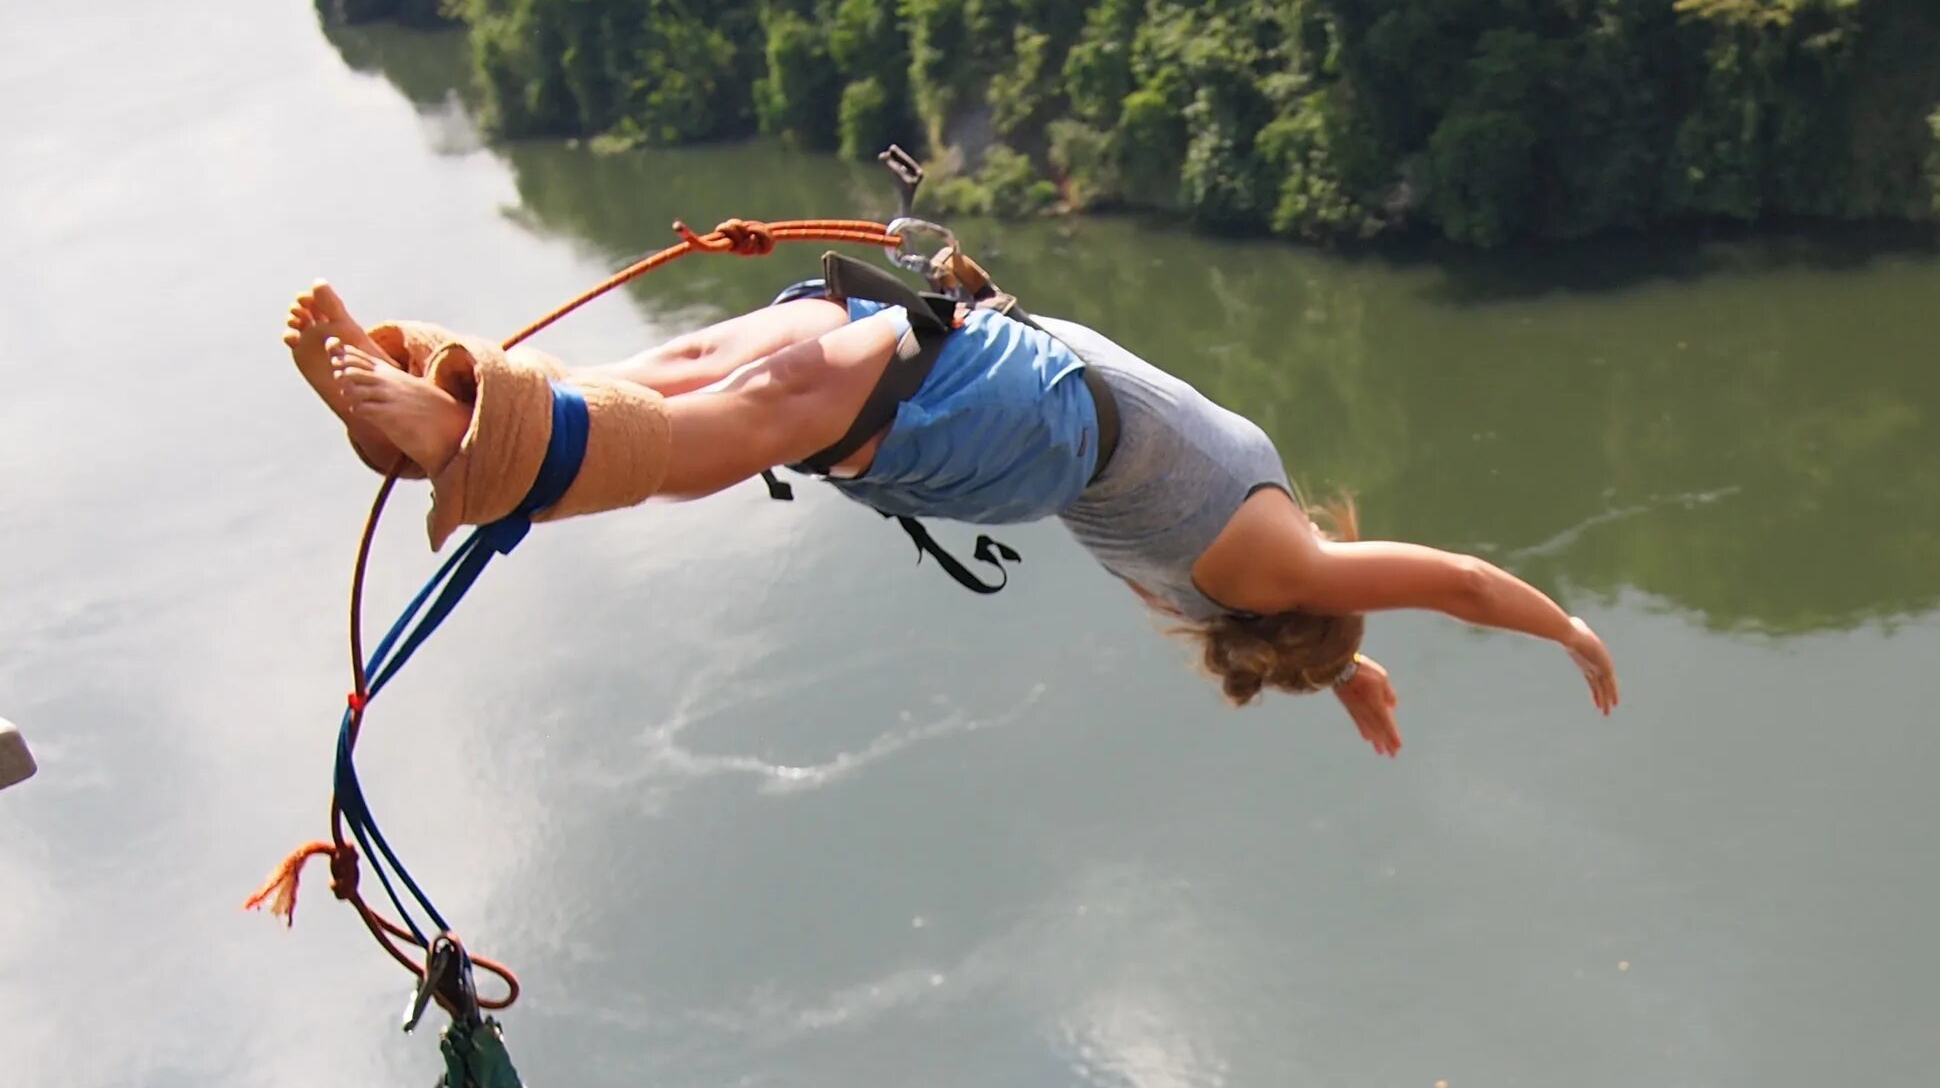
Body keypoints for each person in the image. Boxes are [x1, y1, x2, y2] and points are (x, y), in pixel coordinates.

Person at [282, 279, 1618, 757]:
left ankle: (461, 436)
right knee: (726, 372)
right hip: (1001, 392)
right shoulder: (1234, 595)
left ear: (1311, 595)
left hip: (1021, 418)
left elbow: (1449, 577)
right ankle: (458, 393)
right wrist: (1347, 677)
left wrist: (1565, 629)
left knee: (760, 403)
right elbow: (1293, 632)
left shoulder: (1283, 560)